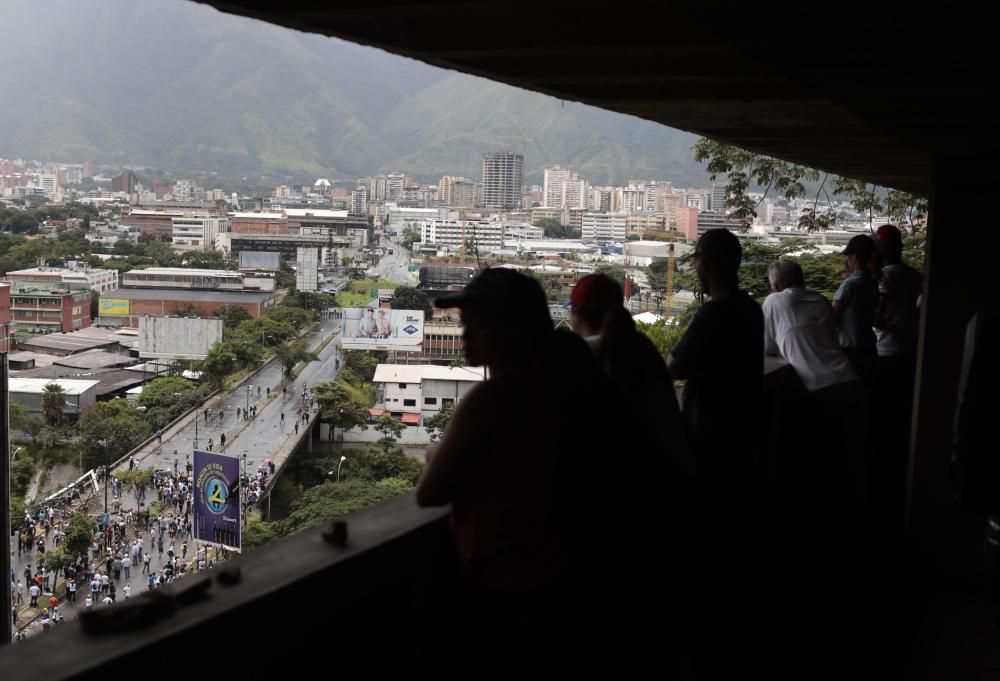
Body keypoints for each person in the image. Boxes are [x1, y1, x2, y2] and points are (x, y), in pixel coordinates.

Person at [417, 268, 629, 677]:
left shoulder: (493, 398)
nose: (464, 336)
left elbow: (430, 494)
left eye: (475, 325)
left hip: (507, 588)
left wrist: (436, 452)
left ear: (507, 330)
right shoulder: (570, 377)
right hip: (574, 576)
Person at [667, 228, 764, 679]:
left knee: (708, 534)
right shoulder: (750, 309)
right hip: (743, 432)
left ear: (712, 262)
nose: (696, 267)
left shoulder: (715, 315)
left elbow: (677, 365)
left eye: (699, 259)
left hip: (711, 436)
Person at [763, 259, 867, 539]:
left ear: (775, 285)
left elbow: (768, 347)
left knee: (821, 469)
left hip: (820, 391)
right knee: (850, 465)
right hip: (851, 382)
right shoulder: (820, 300)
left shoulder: (774, 302)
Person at [832, 234, 879, 385]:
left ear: (856, 256)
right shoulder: (872, 283)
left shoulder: (849, 285)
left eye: (849, 255)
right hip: (870, 350)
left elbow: (831, 317)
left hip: (851, 354)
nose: (848, 259)